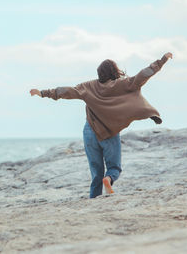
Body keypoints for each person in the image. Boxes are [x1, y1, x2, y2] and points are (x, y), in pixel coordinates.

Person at [30, 52, 173, 198]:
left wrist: (43, 93)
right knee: (114, 167)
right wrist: (162, 60)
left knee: (96, 172)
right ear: (115, 71)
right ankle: (109, 179)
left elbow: (67, 91)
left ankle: (94, 199)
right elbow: (144, 74)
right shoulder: (124, 84)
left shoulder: (89, 86)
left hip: (89, 132)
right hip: (109, 133)